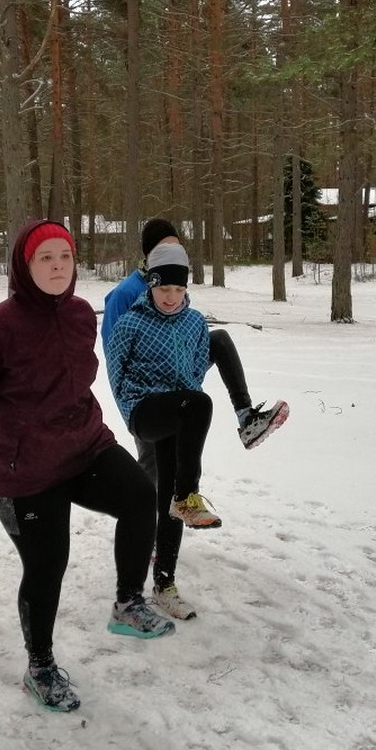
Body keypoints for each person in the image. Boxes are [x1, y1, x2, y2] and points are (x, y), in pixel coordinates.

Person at [0, 219, 175, 714]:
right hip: (26, 469)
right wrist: (19, 433)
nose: (58, 266)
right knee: (47, 564)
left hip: (84, 447)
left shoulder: (80, 314)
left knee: (140, 495)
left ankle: (128, 602)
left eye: (66, 257)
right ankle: (40, 667)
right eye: (45, 258)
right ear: (25, 265)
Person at [105, 241, 222, 621]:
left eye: (178, 288)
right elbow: (115, 372)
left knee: (167, 499)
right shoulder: (131, 323)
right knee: (200, 404)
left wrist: (183, 403)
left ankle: (164, 584)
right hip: (143, 411)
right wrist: (130, 412)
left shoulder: (195, 322)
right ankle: (188, 495)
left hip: (178, 413)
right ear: (151, 286)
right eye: (163, 288)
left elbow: (197, 367)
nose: (171, 297)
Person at [102, 219, 288, 452]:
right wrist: (130, 410)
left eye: (177, 246)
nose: (174, 252)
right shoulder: (125, 293)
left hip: (176, 379)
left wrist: (189, 385)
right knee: (154, 462)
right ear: (149, 253)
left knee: (218, 339)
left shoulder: (175, 280)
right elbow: (114, 356)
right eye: (166, 247)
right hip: (146, 397)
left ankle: (246, 417)